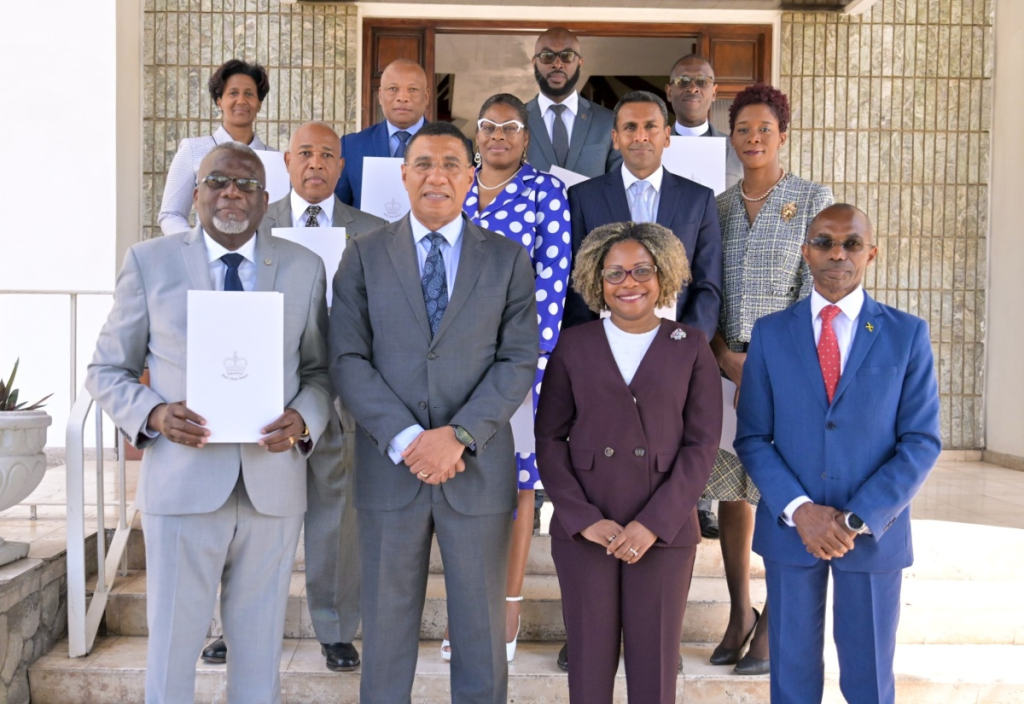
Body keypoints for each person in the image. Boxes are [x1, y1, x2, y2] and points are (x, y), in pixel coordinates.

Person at [86, 143, 333, 703]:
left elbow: (320, 372)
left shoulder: (303, 268)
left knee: (259, 649)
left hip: (271, 490)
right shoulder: (150, 262)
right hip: (183, 485)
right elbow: (105, 368)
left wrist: (304, 419)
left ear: (266, 200)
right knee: (173, 647)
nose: (231, 192)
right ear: (195, 194)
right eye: (217, 181)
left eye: (245, 184)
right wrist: (151, 412)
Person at [329, 120, 539, 704]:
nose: (437, 175)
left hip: (476, 471)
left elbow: (518, 359)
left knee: (479, 631)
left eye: (451, 163)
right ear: (403, 174)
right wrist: (405, 437)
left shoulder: (507, 259)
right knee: (388, 631)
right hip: (388, 471)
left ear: (471, 175)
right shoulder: (364, 256)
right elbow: (346, 357)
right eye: (423, 163)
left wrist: (459, 435)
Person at [197, 121, 385, 672]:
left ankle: (333, 628)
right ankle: (236, 626)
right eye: (305, 153)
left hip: (341, 393)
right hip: (263, 396)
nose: (316, 163)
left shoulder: (372, 230)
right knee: (250, 514)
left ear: (342, 165)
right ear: (286, 160)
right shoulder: (253, 218)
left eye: (328, 155)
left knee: (335, 517)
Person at [735, 204, 941, 703]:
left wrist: (854, 521)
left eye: (851, 243)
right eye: (824, 241)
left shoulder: (905, 334)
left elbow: (921, 442)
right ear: (806, 252)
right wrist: (800, 511)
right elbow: (753, 438)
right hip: (792, 533)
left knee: (869, 678)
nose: (837, 253)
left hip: (872, 536)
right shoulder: (770, 333)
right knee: (792, 674)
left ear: (871, 252)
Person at [536, 221, 721, 704]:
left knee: (655, 671)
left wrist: (653, 525)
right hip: (587, 532)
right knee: (589, 669)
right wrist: (583, 520)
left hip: (664, 532)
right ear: (597, 282)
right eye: (614, 273)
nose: (629, 283)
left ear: (665, 276)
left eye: (642, 270)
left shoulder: (691, 345)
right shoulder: (572, 345)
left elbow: (702, 445)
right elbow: (549, 439)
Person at [435, 93, 571, 663]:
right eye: (487, 126)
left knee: (515, 488)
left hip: (516, 366)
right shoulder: (454, 186)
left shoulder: (545, 192)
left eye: (510, 127)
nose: (497, 136)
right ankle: (468, 611)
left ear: (526, 136)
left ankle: (508, 605)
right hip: (447, 364)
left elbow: (552, 282)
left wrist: (518, 360)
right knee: (460, 484)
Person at [706, 83, 835, 676]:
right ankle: (739, 613)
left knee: (783, 493)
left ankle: (776, 622)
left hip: (789, 373)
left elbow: (822, 288)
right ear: (730, 138)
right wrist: (722, 354)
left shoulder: (813, 201)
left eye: (764, 128)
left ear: (783, 133)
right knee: (732, 491)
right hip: (724, 365)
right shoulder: (717, 206)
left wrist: (764, 363)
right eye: (742, 129)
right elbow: (705, 288)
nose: (753, 138)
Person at [159, 59, 273, 237]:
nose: (241, 100)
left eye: (249, 94)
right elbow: (171, 214)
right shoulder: (192, 150)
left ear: (259, 103)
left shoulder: (275, 159)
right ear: (219, 101)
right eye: (233, 93)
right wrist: (196, 249)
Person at [334, 59, 431, 209]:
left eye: (412, 89)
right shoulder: (351, 147)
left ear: (426, 97)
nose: (402, 97)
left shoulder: (453, 146)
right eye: (393, 89)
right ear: (380, 95)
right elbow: (338, 210)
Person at [525, 27, 621, 177]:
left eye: (567, 55)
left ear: (580, 62)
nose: (557, 64)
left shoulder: (608, 121)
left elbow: (618, 183)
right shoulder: (516, 121)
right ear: (534, 62)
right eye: (547, 55)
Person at [665, 54, 743, 192]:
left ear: (714, 92)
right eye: (682, 81)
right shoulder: (653, 149)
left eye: (702, 81)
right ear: (669, 92)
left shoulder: (737, 150)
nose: (693, 88)